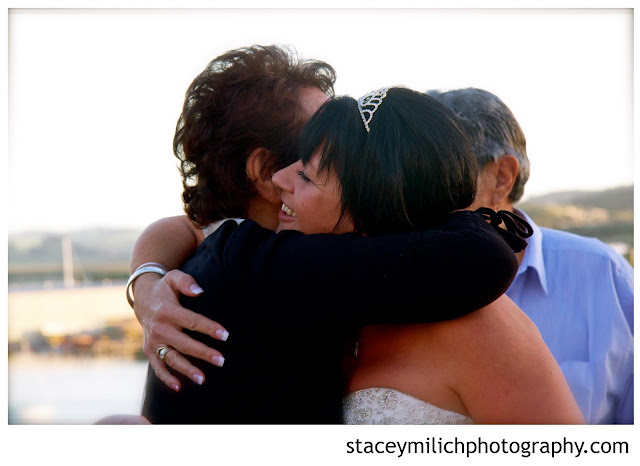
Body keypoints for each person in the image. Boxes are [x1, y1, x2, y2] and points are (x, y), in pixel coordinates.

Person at [427, 87, 634, 424]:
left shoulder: (605, 276)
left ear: (501, 178)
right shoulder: (403, 283)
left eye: (437, 173)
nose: (418, 196)